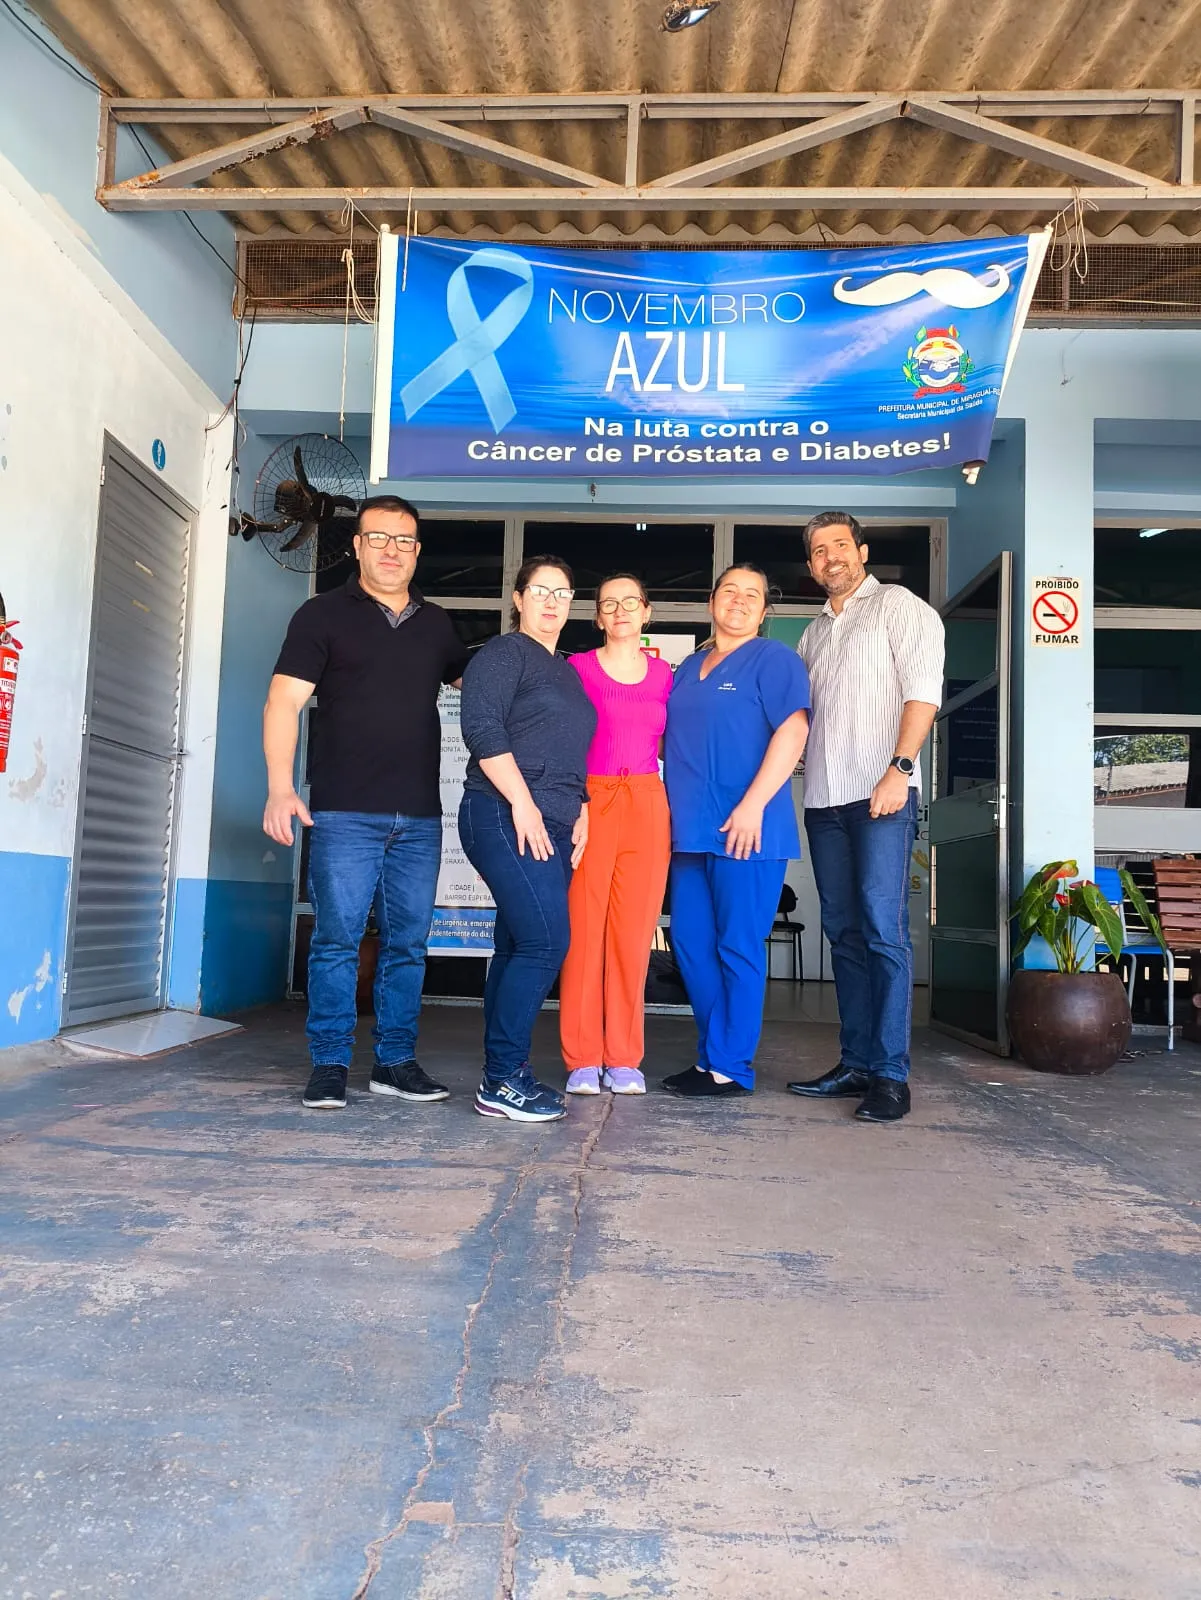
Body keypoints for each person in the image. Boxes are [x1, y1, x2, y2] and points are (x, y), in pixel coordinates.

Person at [263, 495, 468, 1111]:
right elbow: (283, 702)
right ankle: (329, 1064)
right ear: (356, 546)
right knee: (337, 941)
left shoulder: (437, 624)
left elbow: (481, 687)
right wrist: (280, 786)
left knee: (409, 945)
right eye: (378, 538)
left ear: (417, 551)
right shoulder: (321, 615)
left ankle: (394, 1062)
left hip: (420, 817)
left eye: (404, 540)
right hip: (345, 812)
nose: (391, 550)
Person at [787, 511, 944, 1123]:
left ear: (862, 551)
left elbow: (922, 692)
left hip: (882, 796)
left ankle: (890, 1075)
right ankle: (855, 1063)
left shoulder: (899, 606)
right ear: (811, 565)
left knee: (883, 931)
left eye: (840, 545)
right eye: (819, 550)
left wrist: (900, 769)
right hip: (824, 801)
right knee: (844, 934)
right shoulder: (811, 635)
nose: (832, 557)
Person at [661, 564, 810, 1099]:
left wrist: (752, 805)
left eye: (753, 595)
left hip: (749, 829)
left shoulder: (775, 660)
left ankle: (730, 1065)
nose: (740, 600)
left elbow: (794, 731)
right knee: (690, 945)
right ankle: (711, 1055)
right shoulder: (688, 668)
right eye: (730, 591)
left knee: (737, 947)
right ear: (711, 601)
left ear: (765, 611)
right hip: (689, 832)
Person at [458, 556, 597, 1123]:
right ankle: (502, 1079)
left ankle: (502, 1074)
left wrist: (582, 806)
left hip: (555, 822)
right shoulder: (503, 653)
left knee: (518, 945)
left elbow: (566, 746)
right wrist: (523, 802)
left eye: (562, 593)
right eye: (540, 591)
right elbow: (482, 728)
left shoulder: (566, 671)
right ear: (518, 599)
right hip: (502, 812)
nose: (551, 601)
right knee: (545, 942)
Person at [558, 574, 674, 1096]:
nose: (621, 610)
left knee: (633, 936)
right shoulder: (577, 669)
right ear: (597, 617)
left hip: (647, 801)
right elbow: (560, 739)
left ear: (646, 612)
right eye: (610, 603)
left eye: (631, 602)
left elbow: (677, 745)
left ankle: (624, 1057)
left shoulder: (665, 676)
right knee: (584, 933)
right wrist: (573, 802)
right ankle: (583, 1057)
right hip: (591, 801)